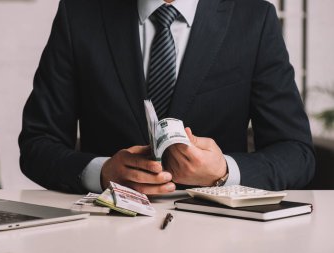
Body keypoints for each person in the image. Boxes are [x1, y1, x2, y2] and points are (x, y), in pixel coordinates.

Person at [19, 0, 315, 194]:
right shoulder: (80, 13)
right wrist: (102, 172)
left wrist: (224, 173)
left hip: (220, 233)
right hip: (105, 231)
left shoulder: (254, 18)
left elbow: (296, 152)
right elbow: (37, 145)